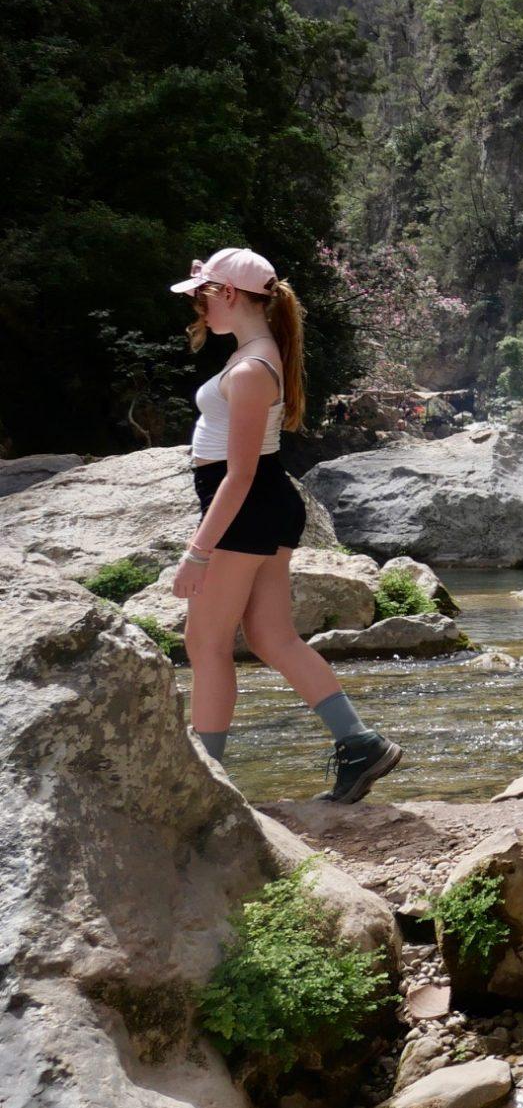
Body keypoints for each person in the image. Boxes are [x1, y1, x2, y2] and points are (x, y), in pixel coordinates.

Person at [170, 248, 402, 803]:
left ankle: (210, 782)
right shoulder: (253, 355)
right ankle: (359, 742)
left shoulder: (251, 368)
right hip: (265, 502)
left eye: (202, 295)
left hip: (244, 503)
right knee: (272, 637)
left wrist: (198, 551)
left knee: (203, 642)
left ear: (228, 294)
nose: (198, 308)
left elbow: (241, 473)